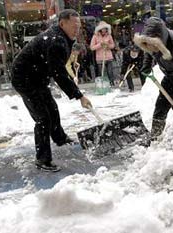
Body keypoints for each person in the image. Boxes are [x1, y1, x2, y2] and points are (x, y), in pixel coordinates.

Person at [11, 9, 92, 172]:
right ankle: (42, 159)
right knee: (43, 118)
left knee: (52, 109)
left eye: (79, 25)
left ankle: (60, 138)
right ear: (63, 24)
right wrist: (79, 95)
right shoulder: (56, 41)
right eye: (74, 25)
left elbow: (58, 68)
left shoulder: (63, 37)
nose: (77, 28)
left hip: (37, 77)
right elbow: (59, 74)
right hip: (24, 78)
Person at [90, 21, 116, 86]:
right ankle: (103, 84)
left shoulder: (109, 36)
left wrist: (108, 46)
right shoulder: (95, 36)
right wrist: (100, 45)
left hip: (109, 57)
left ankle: (111, 83)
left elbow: (113, 45)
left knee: (110, 72)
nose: (104, 30)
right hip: (100, 58)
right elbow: (92, 47)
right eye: (103, 28)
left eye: (105, 28)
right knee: (102, 72)